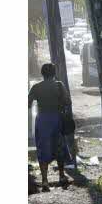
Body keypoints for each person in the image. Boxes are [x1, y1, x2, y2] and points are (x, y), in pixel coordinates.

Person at [29, 63, 72, 191]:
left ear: (42, 73)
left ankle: (45, 181)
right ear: (54, 73)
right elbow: (67, 102)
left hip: (42, 120)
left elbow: (28, 103)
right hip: (56, 119)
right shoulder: (59, 85)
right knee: (59, 147)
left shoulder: (36, 87)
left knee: (43, 149)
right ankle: (62, 176)